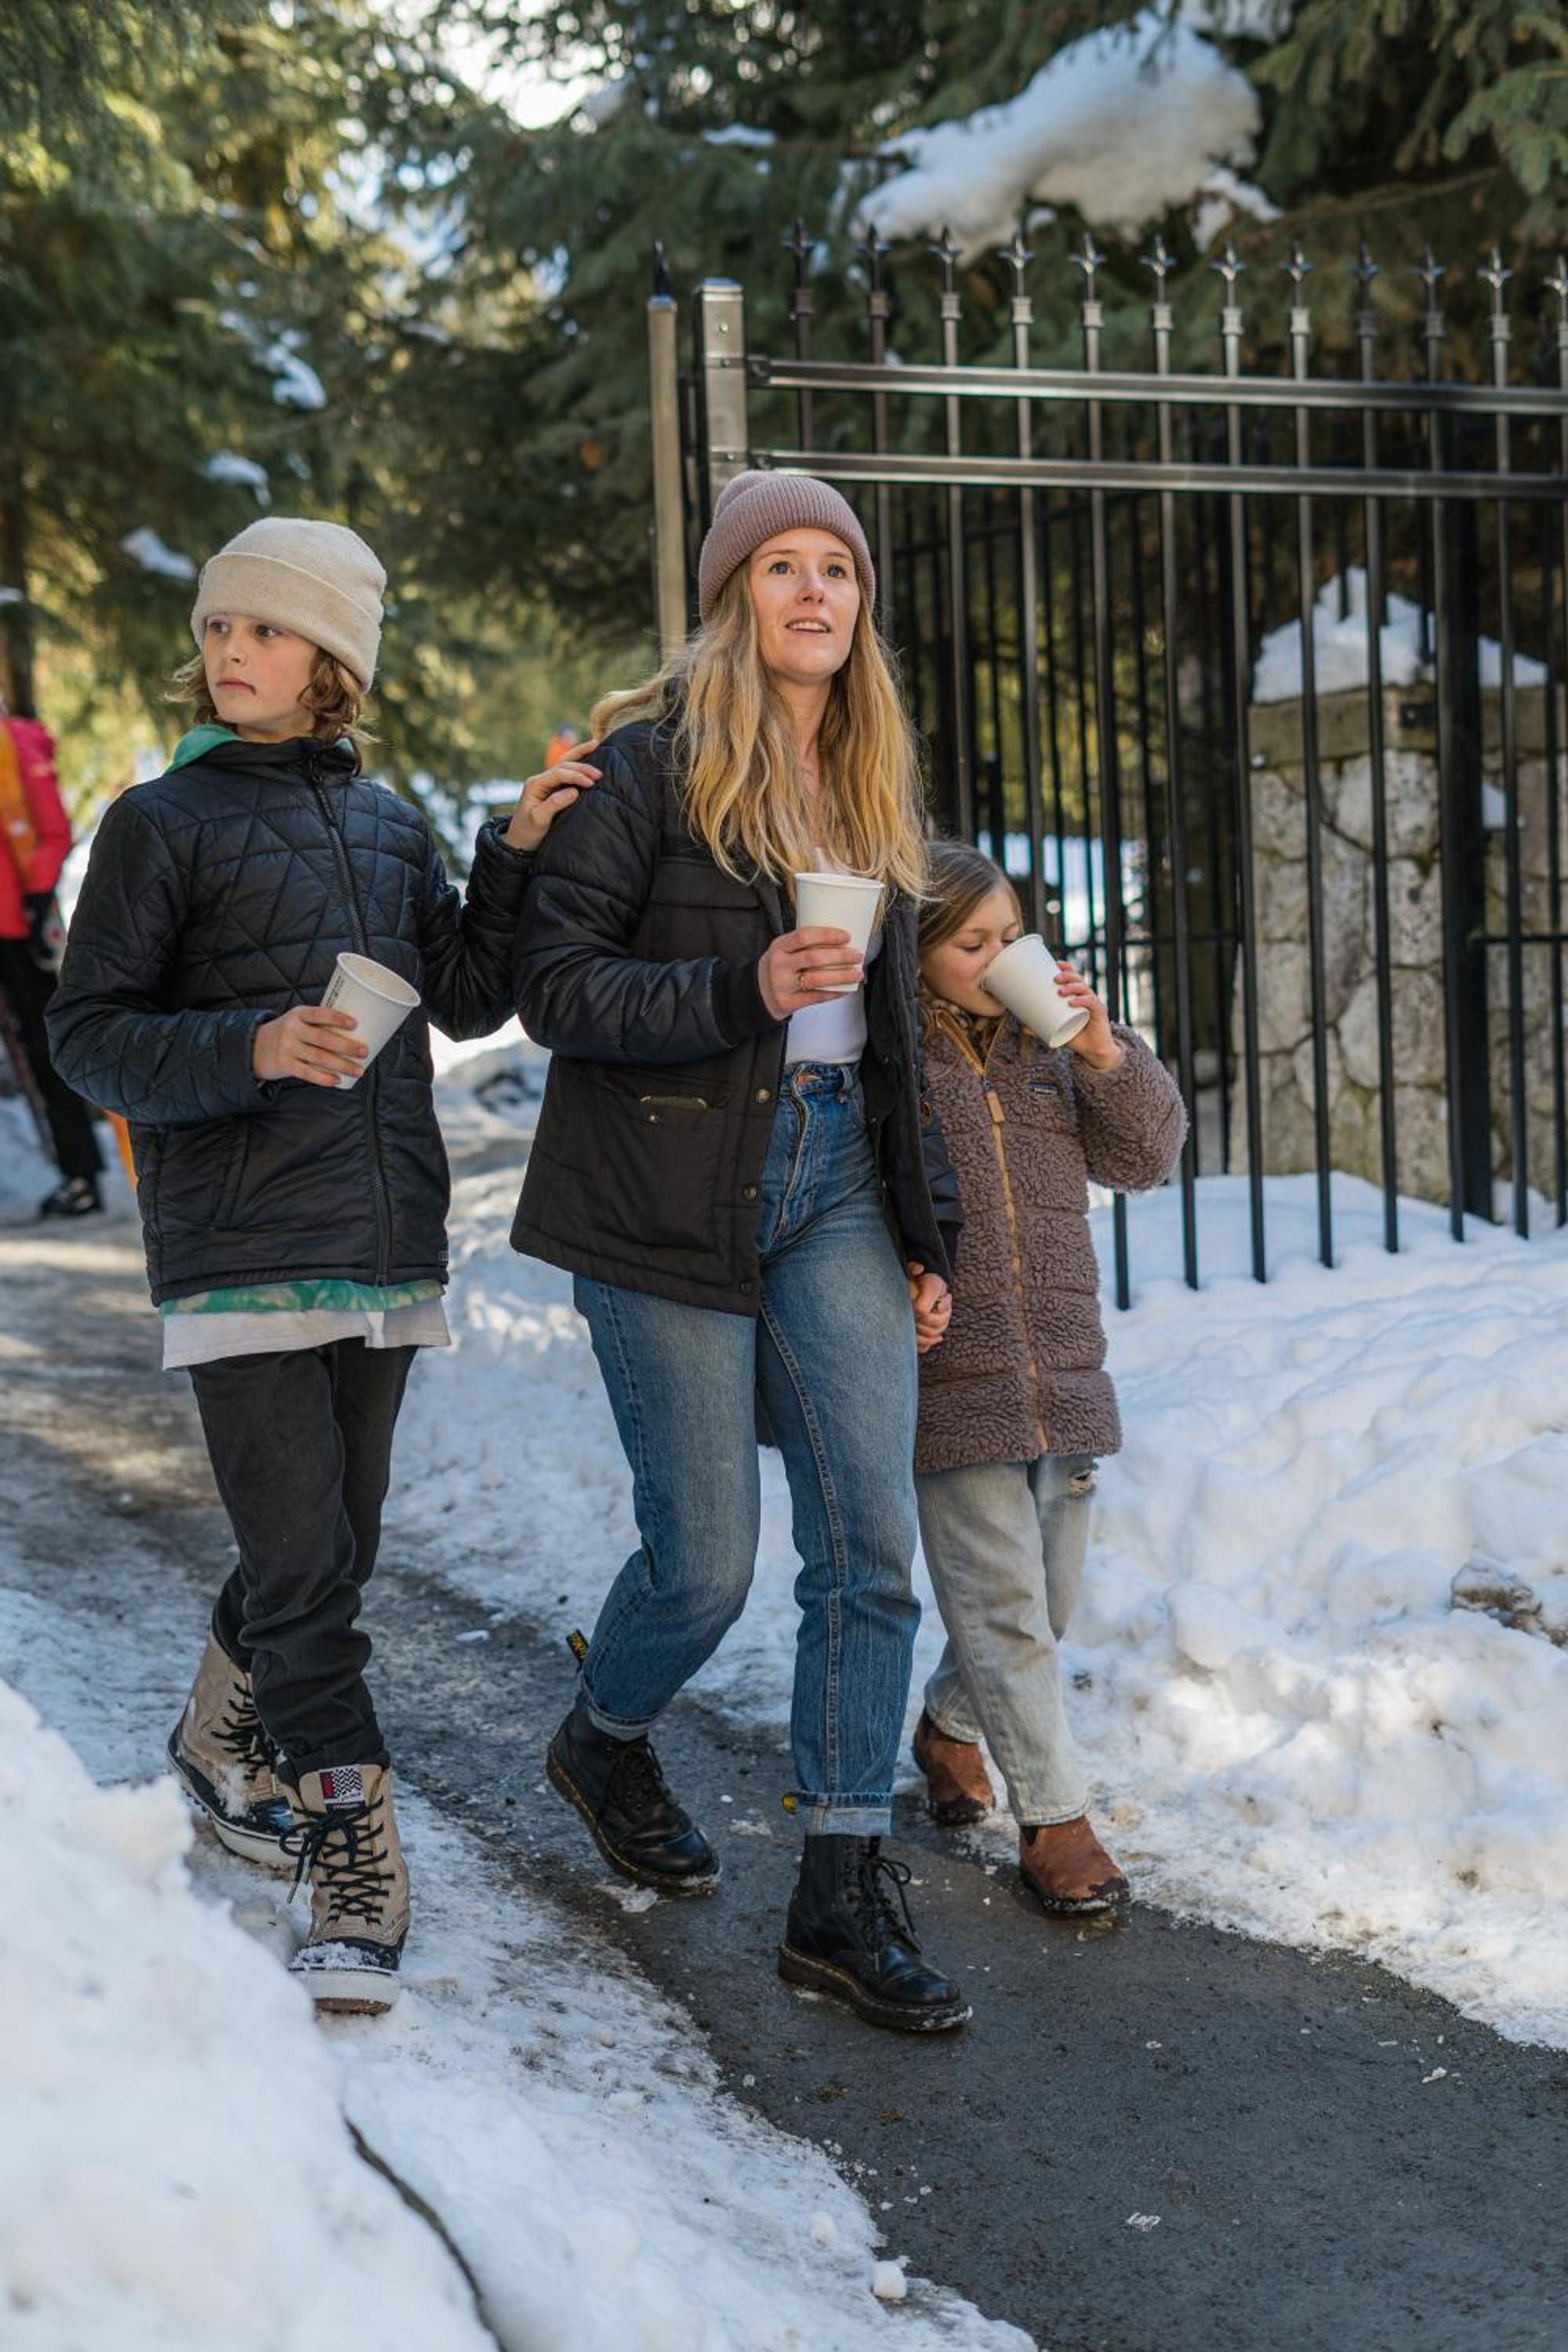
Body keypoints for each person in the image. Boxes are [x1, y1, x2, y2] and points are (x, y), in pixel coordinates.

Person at [48, 517, 596, 2012]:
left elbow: (464, 997)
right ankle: (354, 1847)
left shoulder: (393, 826)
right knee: (309, 1579)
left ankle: (215, 1739)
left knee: (332, 1548)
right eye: (220, 626)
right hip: (235, 1250)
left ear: (335, 662)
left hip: (379, 1240)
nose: (232, 650)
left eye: (268, 630)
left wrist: (512, 855)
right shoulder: (160, 823)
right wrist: (252, 1046)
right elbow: (87, 1035)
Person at [512, 470, 971, 2034]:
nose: (814, 591)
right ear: (731, 599)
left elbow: (896, 1038)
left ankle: (840, 1889)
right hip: (664, 1180)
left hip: (835, 1177)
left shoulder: (873, 781)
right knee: (704, 1562)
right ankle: (604, 1734)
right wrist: (742, 987)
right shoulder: (645, 770)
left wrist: (923, 1225)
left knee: (868, 1549)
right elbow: (556, 988)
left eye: (836, 567)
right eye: (782, 566)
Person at [909, 840, 1185, 1914]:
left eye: (1012, 937)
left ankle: (950, 1727)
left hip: (1063, 1374)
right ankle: (1056, 1821)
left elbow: (1146, 1157)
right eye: (970, 944)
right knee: (1007, 1608)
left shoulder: (1049, 1050)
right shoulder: (895, 1064)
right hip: (954, 1375)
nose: (999, 959)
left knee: (1049, 1599)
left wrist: (1107, 1051)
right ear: (915, 955)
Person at [0, 701, 107, 1216]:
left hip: (18, 924)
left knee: (46, 1048)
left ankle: (80, 1175)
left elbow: (54, 829)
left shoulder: (17, 744)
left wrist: (40, 896)